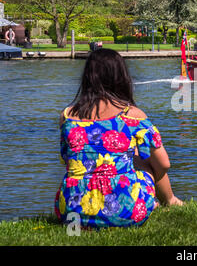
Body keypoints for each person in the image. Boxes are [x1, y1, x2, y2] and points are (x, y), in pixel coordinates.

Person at [55, 48, 183, 229]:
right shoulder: (132, 116)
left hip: (71, 213)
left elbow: (65, 160)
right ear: (121, 77)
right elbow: (164, 164)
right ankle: (170, 200)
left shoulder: (68, 115)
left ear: (88, 77)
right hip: (124, 213)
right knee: (142, 156)